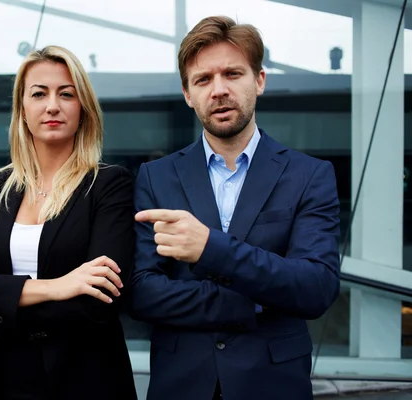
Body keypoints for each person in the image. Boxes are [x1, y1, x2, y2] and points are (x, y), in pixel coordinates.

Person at [128, 16, 341, 400]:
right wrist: (254, 302)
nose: (219, 90)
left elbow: (315, 288)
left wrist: (209, 248)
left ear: (259, 80)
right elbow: (142, 292)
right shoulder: (155, 177)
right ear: (187, 94)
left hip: (273, 385)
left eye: (232, 74)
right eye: (203, 79)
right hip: (181, 384)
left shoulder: (310, 175)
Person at [0, 45, 137, 400]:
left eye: (66, 94)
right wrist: (58, 286)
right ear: (22, 110)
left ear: (82, 108)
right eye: (39, 93)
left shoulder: (109, 185)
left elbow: (99, 299)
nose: (52, 105)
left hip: (82, 379)